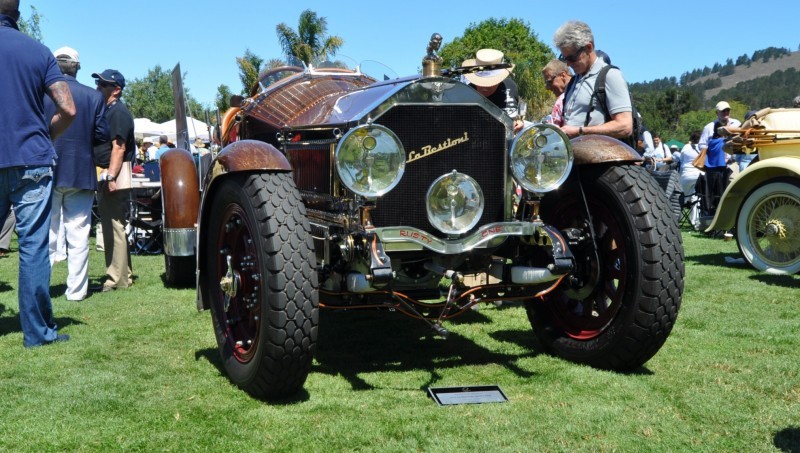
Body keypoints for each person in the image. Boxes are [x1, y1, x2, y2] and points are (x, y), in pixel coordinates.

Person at [1, 0, 76, 347]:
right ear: (17, 14)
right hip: (31, 158)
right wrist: (48, 135)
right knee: (33, 247)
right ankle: (37, 333)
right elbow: (68, 108)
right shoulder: (39, 52)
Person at [45, 46, 109, 301]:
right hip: (81, 170)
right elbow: (102, 134)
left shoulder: (43, 94)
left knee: (47, 232)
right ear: (78, 68)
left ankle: (42, 288)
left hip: (49, 168)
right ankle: (77, 290)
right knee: (79, 232)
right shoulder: (93, 98)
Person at [553, 20, 633, 140]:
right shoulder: (574, 81)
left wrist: (579, 131)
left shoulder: (610, 76)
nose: (568, 64)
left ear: (588, 48)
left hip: (601, 156)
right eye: (564, 59)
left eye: (572, 58)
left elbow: (625, 126)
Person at [92, 69, 134, 292]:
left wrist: (110, 176)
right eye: (98, 83)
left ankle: (116, 279)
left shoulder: (118, 112)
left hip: (113, 175)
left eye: (103, 84)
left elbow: (119, 147)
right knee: (114, 225)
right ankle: (123, 274)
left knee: (113, 226)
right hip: (110, 174)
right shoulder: (110, 110)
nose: (98, 87)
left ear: (116, 90)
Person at [462, 49, 524, 133]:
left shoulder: (511, 86)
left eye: (489, 83)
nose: (484, 87)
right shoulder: (466, 93)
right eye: (480, 82)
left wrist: (519, 123)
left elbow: (516, 117)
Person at [678, 131, 703, 229]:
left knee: (682, 198)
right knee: (696, 199)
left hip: (686, 174)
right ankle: (695, 223)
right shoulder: (702, 148)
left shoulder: (685, 147)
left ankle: (676, 219)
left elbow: (681, 160)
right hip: (699, 174)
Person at [541, 59, 572, 126]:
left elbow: (557, 133)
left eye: (549, 82)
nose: (547, 88)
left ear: (563, 75)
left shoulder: (562, 99)